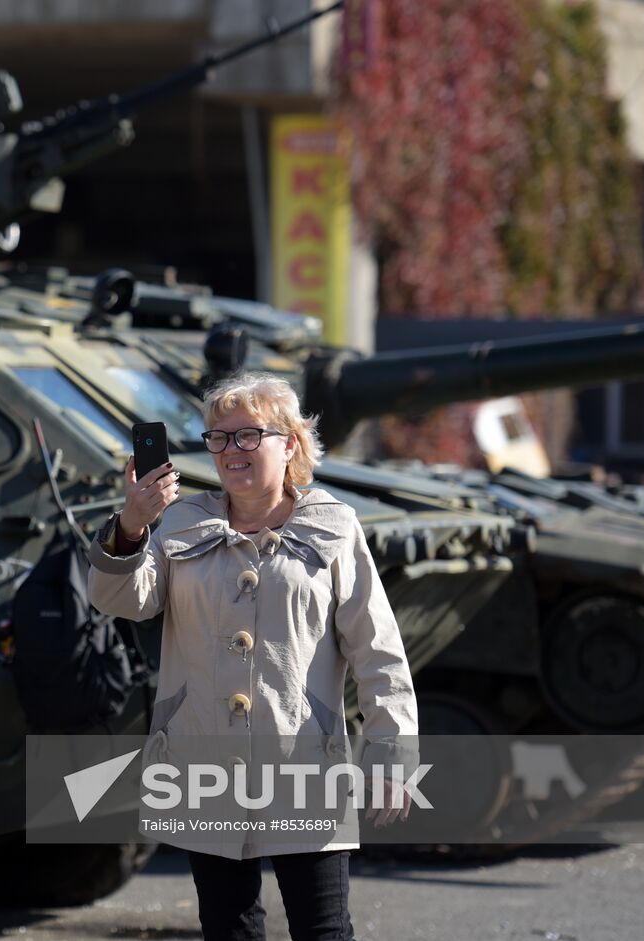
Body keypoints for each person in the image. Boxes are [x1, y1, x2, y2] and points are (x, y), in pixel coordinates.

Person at [86, 373, 419, 941]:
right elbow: (123, 598)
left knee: (324, 929)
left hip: (303, 762)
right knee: (228, 928)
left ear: (289, 443)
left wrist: (392, 748)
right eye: (218, 438)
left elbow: (377, 648)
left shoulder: (333, 525)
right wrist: (133, 526)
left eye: (247, 436)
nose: (230, 451)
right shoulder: (182, 522)